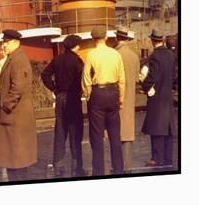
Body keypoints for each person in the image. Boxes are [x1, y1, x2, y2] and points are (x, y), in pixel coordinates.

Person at [0, 29, 37, 181]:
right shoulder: (14, 58)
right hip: (15, 114)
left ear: (15, 42)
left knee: (18, 158)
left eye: (6, 42)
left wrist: (6, 105)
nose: (3, 45)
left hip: (15, 115)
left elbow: (18, 87)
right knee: (14, 157)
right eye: (3, 42)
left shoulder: (18, 60)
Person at [82, 25, 125, 176]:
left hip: (98, 93)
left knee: (96, 135)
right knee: (115, 135)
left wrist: (88, 95)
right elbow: (122, 78)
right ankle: (119, 168)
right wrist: (121, 98)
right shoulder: (115, 54)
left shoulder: (91, 55)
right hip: (113, 92)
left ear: (93, 39)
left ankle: (98, 170)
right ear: (106, 38)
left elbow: (86, 79)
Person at [41, 34, 85, 176]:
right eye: (79, 45)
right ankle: (76, 162)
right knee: (75, 131)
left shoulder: (57, 59)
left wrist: (54, 88)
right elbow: (83, 79)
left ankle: (57, 161)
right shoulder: (78, 62)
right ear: (74, 46)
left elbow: (44, 75)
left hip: (60, 97)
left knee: (60, 130)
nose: (80, 48)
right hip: (73, 98)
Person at [141, 29, 176, 168]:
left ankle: (156, 158)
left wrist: (145, 85)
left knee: (156, 128)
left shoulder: (155, 56)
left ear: (152, 40)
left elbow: (152, 76)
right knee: (168, 128)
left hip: (157, 96)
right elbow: (174, 75)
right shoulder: (171, 55)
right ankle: (168, 157)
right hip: (167, 95)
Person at [114, 25, 140, 172]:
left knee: (115, 131)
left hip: (116, 98)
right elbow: (137, 79)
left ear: (117, 38)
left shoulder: (115, 55)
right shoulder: (134, 56)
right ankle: (127, 165)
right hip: (130, 98)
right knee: (128, 132)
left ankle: (117, 165)